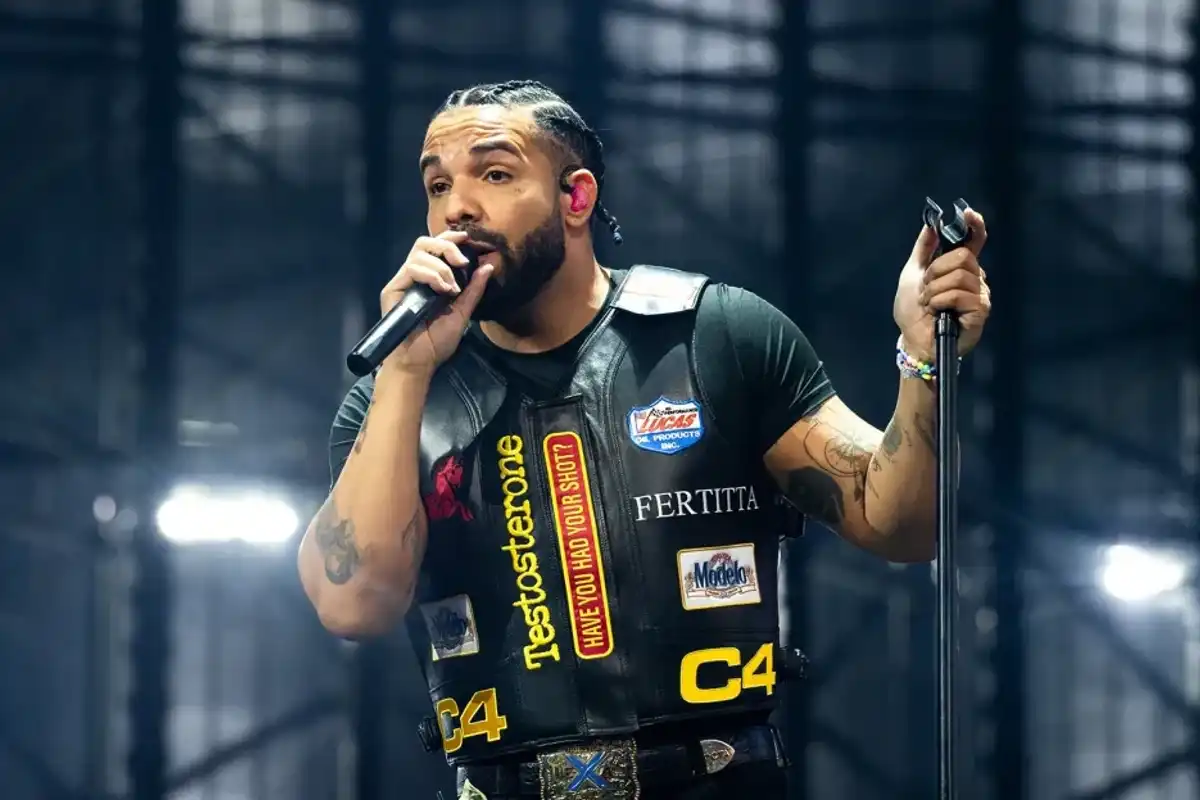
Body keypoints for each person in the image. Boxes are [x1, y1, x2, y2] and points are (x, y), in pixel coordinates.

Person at [297, 80, 991, 800]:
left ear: (577, 198)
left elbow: (903, 526)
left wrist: (925, 360)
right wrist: (405, 373)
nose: (456, 207)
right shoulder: (394, 403)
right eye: (438, 185)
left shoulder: (718, 335)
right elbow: (352, 605)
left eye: (494, 174)